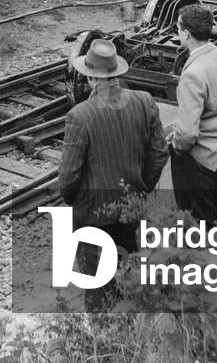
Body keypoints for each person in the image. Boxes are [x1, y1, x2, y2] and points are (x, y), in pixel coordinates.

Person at [57, 38, 168, 311]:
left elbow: (68, 178)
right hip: (132, 211)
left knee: (97, 289)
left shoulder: (79, 116)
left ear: (90, 78)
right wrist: (142, 187)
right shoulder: (144, 102)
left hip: (93, 215)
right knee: (130, 280)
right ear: (117, 72)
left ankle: (104, 346)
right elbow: (159, 152)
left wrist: (76, 201)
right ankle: (131, 338)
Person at [167, 4, 217, 225]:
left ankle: (203, 257)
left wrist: (175, 146)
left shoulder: (193, 73)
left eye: (178, 28)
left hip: (203, 159)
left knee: (198, 221)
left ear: (186, 33)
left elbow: (188, 133)